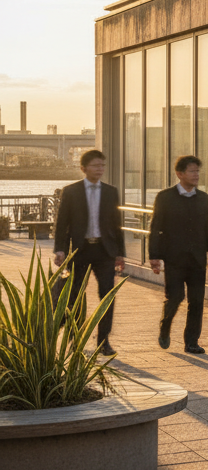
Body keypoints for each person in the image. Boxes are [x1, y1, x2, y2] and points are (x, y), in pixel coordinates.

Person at [53, 149, 126, 356]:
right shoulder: (71, 191)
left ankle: (104, 341)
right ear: (83, 168)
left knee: (107, 296)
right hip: (79, 250)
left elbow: (116, 225)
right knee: (76, 297)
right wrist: (59, 249)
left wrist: (120, 253)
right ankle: (77, 339)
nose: (100, 169)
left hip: (105, 251)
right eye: (96, 166)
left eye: (102, 165)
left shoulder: (111, 191)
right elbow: (62, 223)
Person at [149, 155, 208, 355]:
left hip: (197, 258)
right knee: (176, 297)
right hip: (174, 258)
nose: (196, 175)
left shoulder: (203, 198)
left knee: (196, 301)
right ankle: (165, 324)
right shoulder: (165, 197)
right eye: (192, 171)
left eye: (198, 171)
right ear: (179, 174)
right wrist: (154, 255)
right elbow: (155, 227)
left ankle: (191, 342)